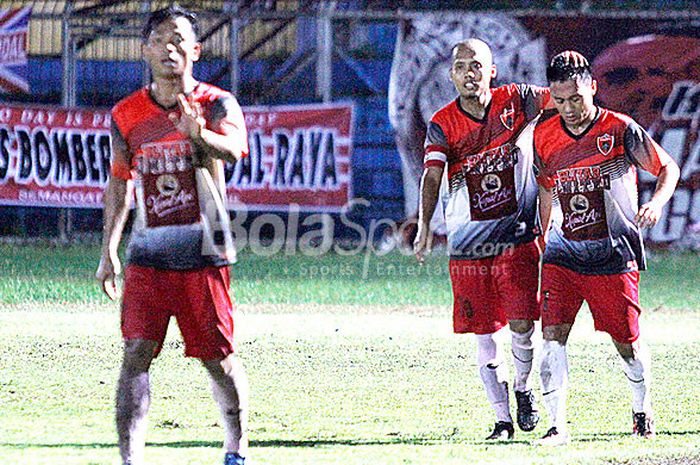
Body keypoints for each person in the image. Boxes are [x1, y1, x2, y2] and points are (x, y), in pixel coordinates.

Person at [95, 6, 250, 465]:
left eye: (180, 39)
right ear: (145, 49)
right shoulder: (126, 115)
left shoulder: (217, 103)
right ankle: (130, 457)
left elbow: (236, 149)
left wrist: (197, 133)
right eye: (160, 39)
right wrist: (108, 249)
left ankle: (236, 448)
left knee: (217, 358)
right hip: (148, 257)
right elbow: (120, 182)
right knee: (136, 352)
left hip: (205, 253)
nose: (170, 47)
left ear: (196, 50)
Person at [413, 39, 582, 440]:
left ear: (492, 71)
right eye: (460, 66)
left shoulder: (519, 100)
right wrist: (423, 226)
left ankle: (524, 389)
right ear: (451, 75)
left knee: (523, 325)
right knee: (484, 334)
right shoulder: (442, 123)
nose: (468, 72)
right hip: (469, 246)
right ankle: (502, 420)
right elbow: (433, 175)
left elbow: (567, 103)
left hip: (517, 238)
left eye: (477, 65)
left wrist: (581, 91)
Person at [533, 52, 680, 445]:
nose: (568, 108)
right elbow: (546, 185)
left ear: (593, 88)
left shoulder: (620, 129)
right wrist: (542, 232)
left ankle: (641, 408)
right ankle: (556, 425)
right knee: (551, 336)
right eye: (560, 100)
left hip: (613, 254)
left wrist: (655, 203)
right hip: (562, 253)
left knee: (627, 343)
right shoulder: (544, 135)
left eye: (576, 99)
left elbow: (668, 168)